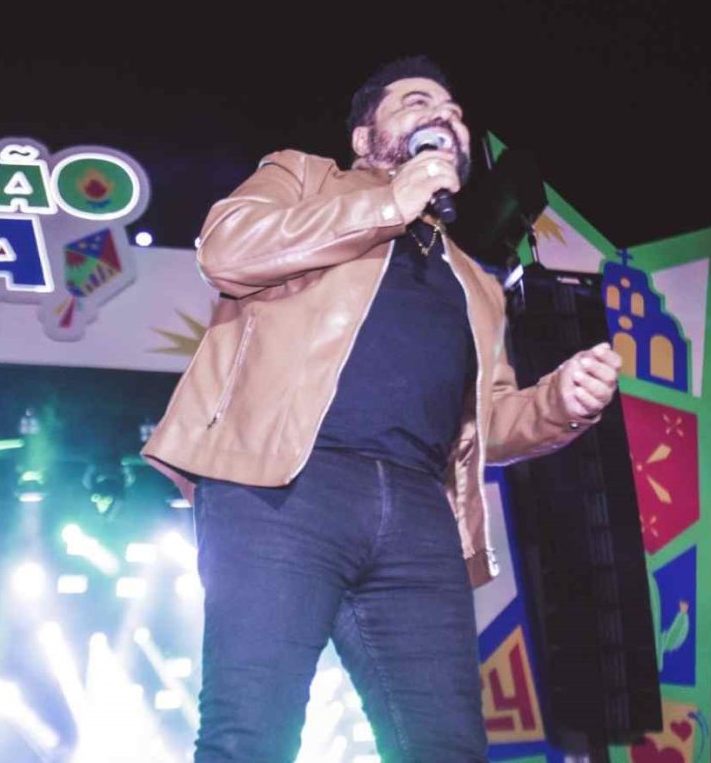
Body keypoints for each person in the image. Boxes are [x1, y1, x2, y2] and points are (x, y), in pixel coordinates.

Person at [141, 56, 623, 761]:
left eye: (456, 113)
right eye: (419, 102)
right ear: (366, 140)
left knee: (445, 745)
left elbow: (486, 423)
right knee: (251, 735)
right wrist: (389, 203)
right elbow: (227, 249)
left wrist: (559, 402)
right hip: (281, 488)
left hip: (420, 516)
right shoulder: (303, 176)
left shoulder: (476, 283)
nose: (445, 117)